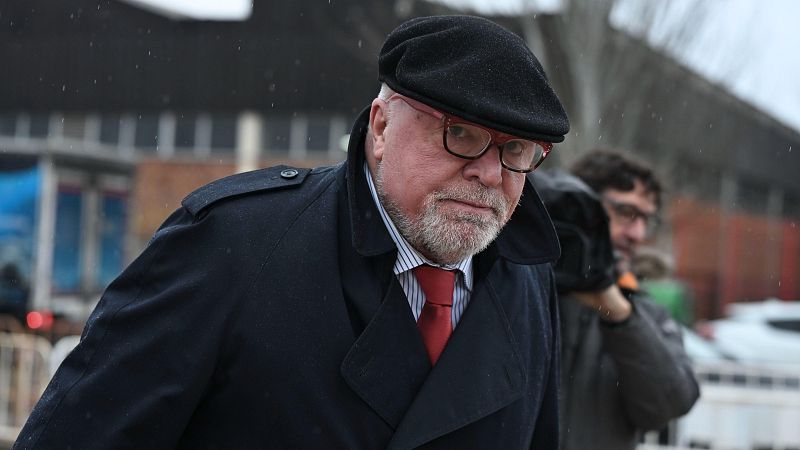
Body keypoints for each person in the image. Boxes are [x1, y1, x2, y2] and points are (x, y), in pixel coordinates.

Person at [14, 16, 570, 449]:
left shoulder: (526, 276)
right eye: (461, 135)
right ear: (380, 127)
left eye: (516, 151)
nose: (489, 173)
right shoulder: (234, 244)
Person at [533, 149, 699, 450]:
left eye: (646, 220)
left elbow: (669, 404)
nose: (637, 234)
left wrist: (620, 314)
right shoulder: (521, 285)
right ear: (583, 206)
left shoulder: (648, 313)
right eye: (626, 213)